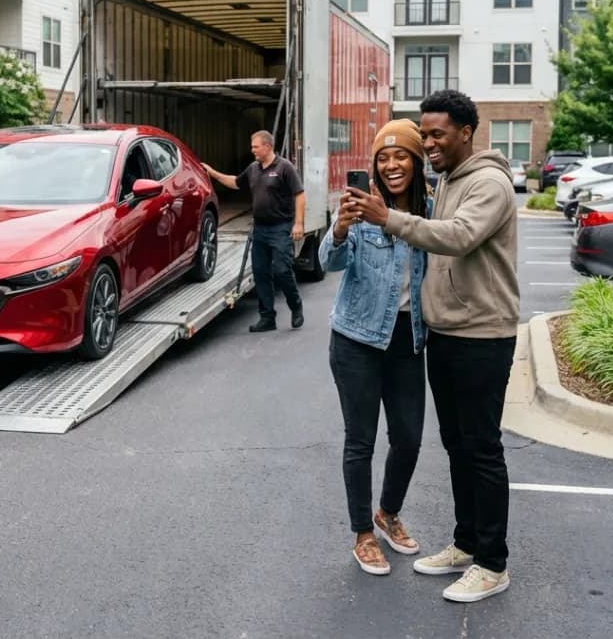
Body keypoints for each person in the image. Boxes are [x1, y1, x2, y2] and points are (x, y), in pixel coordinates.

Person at [345, 89, 519, 602]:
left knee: (483, 450)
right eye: (425, 133)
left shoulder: (489, 183)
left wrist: (389, 220)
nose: (429, 142)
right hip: (444, 335)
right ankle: (466, 543)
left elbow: (459, 236)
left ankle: (492, 562)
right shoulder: (447, 181)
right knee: (458, 447)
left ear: (467, 133)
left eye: (437, 133)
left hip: (483, 335)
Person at [319, 119, 431, 576]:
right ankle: (363, 532)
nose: (391, 165)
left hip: (408, 338)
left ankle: (388, 511)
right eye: (383, 158)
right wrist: (341, 229)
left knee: (408, 437)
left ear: (416, 161)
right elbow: (329, 262)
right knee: (360, 441)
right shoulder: (361, 207)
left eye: (400, 155)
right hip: (356, 340)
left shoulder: (428, 210)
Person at [202, 130, 304, 332]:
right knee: (260, 273)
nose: (252, 150)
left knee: (282, 270)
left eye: (255, 146)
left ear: (267, 146)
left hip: (280, 228)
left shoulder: (285, 168)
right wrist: (212, 173)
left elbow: (299, 194)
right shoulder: (253, 169)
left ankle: (296, 306)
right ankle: (267, 318)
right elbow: (234, 182)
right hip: (260, 229)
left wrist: (298, 223)